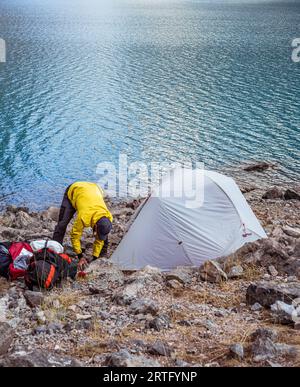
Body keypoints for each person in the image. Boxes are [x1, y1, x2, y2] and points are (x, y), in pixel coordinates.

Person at [53, 182, 113, 269]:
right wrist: (80, 256)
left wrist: (94, 257)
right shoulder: (84, 217)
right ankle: (54, 252)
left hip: (93, 189)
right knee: (62, 224)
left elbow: (99, 239)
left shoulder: (109, 216)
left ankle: (101, 254)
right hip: (74, 190)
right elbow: (74, 236)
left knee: (103, 230)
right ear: (94, 226)